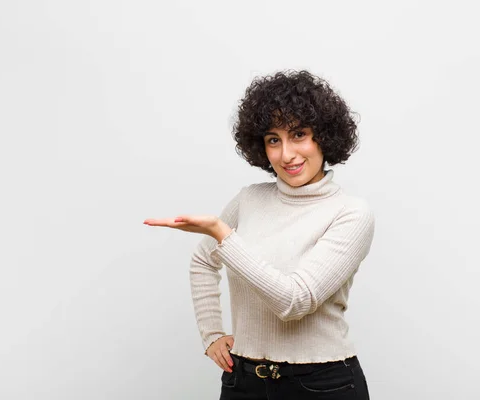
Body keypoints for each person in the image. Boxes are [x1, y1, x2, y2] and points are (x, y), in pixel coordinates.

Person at [144, 70, 376, 399]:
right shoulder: (249, 199)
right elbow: (203, 260)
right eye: (273, 140)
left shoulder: (351, 213)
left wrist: (223, 236)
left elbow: (295, 301)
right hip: (245, 381)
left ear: (324, 136)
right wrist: (211, 333)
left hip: (322, 384)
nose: (286, 154)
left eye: (299, 135)